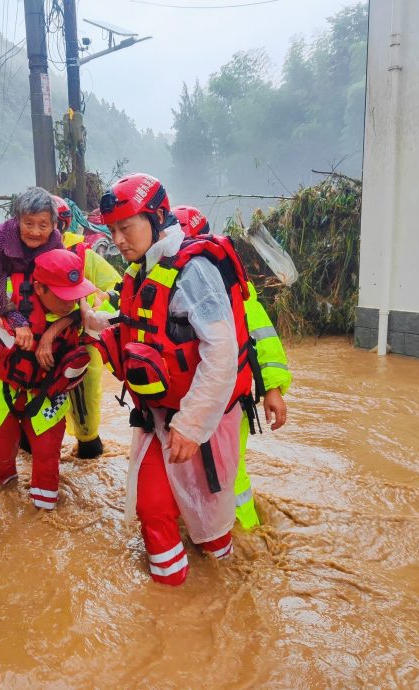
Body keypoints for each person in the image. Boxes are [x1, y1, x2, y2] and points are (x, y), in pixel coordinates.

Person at [82, 174, 259, 586]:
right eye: (112, 230)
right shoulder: (143, 270)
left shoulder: (193, 269)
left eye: (126, 227)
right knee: (154, 509)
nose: (118, 239)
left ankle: (223, 603)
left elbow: (221, 352)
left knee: (212, 531)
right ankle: (170, 607)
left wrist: (192, 425)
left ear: (158, 217)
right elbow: (140, 326)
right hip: (157, 419)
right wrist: (93, 323)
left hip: (201, 423)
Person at [173, 205, 291, 530]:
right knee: (182, 470)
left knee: (229, 473)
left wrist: (272, 389)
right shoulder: (162, 290)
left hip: (228, 407)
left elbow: (263, 340)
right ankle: (196, 531)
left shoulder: (235, 289)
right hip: (180, 407)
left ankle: (244, 535)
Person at [0, 248, 97, 510]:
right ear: (38, 288)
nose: (72, 302)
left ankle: (44, 516)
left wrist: (54, 330)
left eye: (76, 295)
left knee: (48, 456)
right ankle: (8, 508)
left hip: (47, 394)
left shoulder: (76, 303)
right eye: (65, 296)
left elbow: (100, 307)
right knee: (1, 460)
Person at [53, 195, 122, 458]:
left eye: (51, 223)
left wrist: (96, 306)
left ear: (62, 225)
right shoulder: (21, 258)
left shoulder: (83, 255)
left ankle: (87, 448)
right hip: (40, 347)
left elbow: (116, 287)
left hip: (80, 343)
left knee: (85, 408)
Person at [0, 187, 63, 353]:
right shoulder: (0, 235)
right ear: (17, 220)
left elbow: (63, 280)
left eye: (43, 225)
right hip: (3, 299)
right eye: (28, 223)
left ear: (53, 225)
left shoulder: (55, 240)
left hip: (38, 301)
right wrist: (15, 318)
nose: (35, 232)